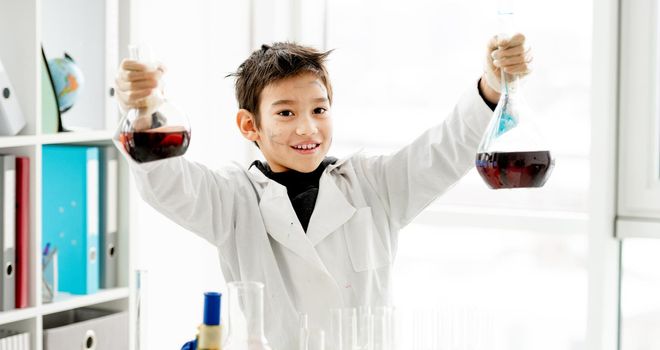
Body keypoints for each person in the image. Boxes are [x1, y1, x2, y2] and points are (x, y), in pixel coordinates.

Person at [115, 35, 531, 348]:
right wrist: (145, 108)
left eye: (319, 109)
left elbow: (446, 148)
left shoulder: (375, 186)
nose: (307, 128)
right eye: (285, 113)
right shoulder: (232, 200)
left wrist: (493, 84)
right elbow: (167, 183)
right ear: (249, 125)